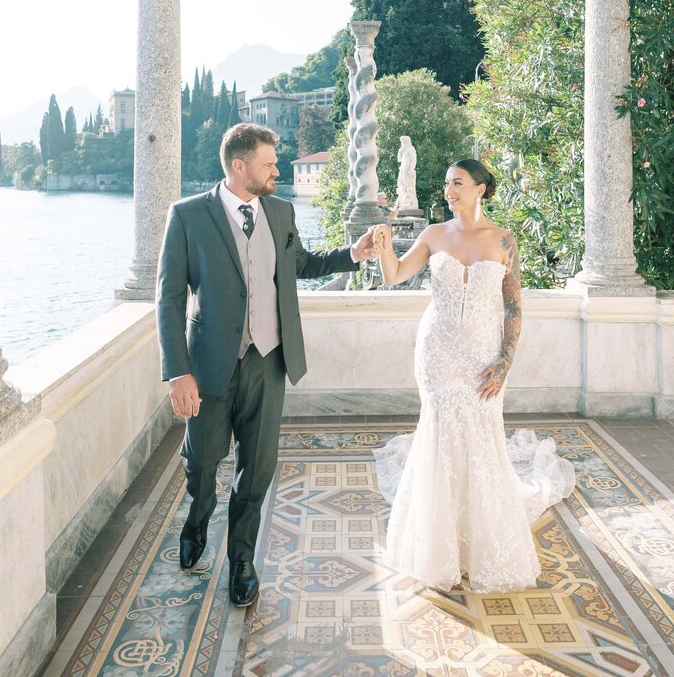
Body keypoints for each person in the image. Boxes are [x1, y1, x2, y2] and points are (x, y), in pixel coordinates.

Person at [156, 123, 378, 607]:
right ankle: (198, 516)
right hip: (209, 368)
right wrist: (178, 372)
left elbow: (301, 263)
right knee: (202, 464)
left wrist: (352, 255)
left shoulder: (280, 211)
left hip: (268, 362)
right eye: (268, 163)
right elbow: (169, 299)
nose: (278, 170)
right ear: (239, 166)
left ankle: (241, 561)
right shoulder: (189, 216)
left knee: (257, 471)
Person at [371, 159, 574, 593]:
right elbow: (394, 275)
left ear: (480, 189)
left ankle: (479, 544)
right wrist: (384, 243)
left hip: (484, 353)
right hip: (437, 351)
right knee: (441, 434)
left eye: (458, 183)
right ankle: (438, 549)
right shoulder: (432, 234)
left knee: (480, 436)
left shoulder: (503, 240)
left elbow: (515, 306)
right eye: (446, 183)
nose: (449, 190)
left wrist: (504, 361)